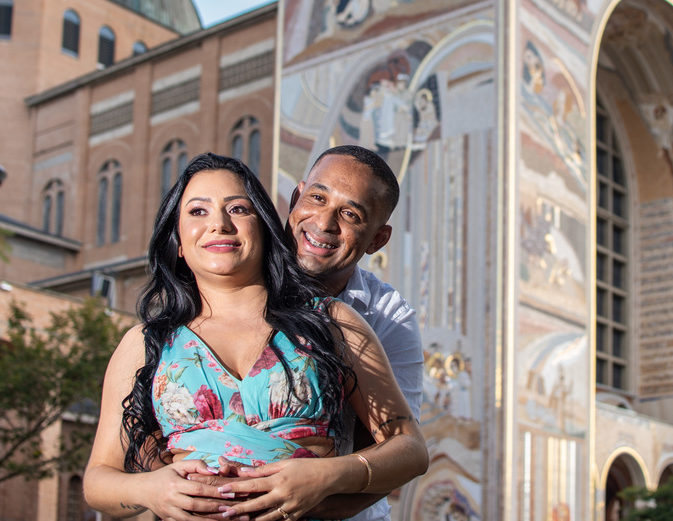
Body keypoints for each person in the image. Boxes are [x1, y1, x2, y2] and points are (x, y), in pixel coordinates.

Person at [84, 154, 427, 520]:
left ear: (263, 226)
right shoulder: (145, 342)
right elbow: (99, 480)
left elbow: (407, 448)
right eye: (197, 212)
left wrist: (324, 479)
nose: (219, 224)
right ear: (178, 242)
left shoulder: (336, 322)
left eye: (237, 209)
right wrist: (150, 489)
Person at [195, 145, 424, 521]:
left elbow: (396, 455)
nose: (324, 222)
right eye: (317, 198)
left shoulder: (385, 320)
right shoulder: (230, 268)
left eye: (350, 214)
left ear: (378, 240)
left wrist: (310, 492)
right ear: (297, 196)